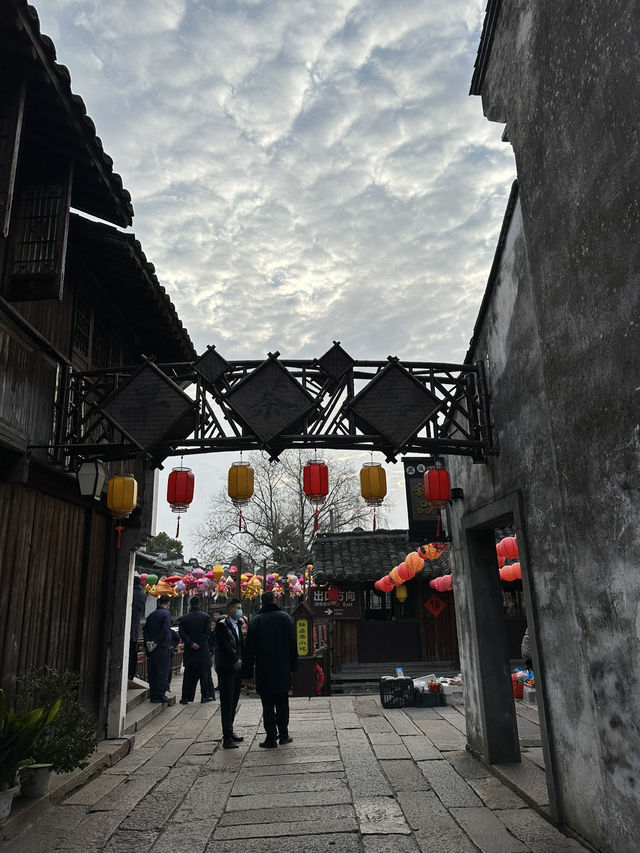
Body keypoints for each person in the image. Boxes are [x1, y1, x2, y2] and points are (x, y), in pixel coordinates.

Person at [243, 590, 298, 748]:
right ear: (275, 600)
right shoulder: (286, 618)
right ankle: (284, 734)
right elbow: (293, 646)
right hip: (282, 668)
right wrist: (293, 666)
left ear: (262, 603)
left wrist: (246, 671)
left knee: (267, 705)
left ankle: (271, 737)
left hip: (263, 669)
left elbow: (249, 649)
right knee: (282, 702)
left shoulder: (256, 621)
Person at [214, 598, 245, 749]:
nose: (240, 610)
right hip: (226, 668)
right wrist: (234, 659)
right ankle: (226, 737)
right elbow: (225, 645)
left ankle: (230, 730)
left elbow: (239, 645)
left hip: (237, 668)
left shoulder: (238, 624)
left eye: (240, 607)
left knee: (234, 701)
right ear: (231, 609)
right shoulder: (222, 625)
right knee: (226, 702)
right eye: (238, 608)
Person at [178, 596, 215, 704]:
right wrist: (199, 643)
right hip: (202, 650)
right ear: (199, 604)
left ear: (190, 604)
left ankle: (185, 697)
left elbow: (182, 633)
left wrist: (191, 643)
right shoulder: (205, 617)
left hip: (190, 650)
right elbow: (207, 632)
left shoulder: (184, 618)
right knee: (204, 674)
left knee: (188, 675)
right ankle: (205, 696)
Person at [143, 595, 172, 702]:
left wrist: (148, 643)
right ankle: (160, 694)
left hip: (150, 648)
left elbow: (145, 630)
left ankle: (153, 693)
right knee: (162, 671)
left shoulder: (151, 615)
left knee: (152, 672)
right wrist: (156, 642)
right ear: (168, 604)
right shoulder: (166, 614)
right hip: (161, 647)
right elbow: (165, 631)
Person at [128, 575, 147, 681]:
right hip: (135, 626)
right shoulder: (143, 595)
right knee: (133, 650)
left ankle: (127, 672)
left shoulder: (129, 592)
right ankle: (132, 673)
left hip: (126, 624)